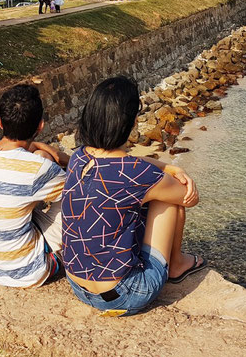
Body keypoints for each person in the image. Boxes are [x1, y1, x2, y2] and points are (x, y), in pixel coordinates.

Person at [61, 76, 206, 317]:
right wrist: (178, 175)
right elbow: (187, 198)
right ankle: (177, 265)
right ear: (131, 122)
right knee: (167, 200)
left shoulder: (79, 157)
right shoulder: (137, 174)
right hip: (125, 295)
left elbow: (124, 163)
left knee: (140, 199)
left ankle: (172, 262)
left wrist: (166, 168)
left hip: (77, 284)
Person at [0, 84, 70, 288]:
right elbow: (83, 185)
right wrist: (62, 157)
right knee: (78, 199)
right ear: (40, 126)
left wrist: (41, 148)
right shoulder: (36, 169)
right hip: (30, 271)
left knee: (41, 158)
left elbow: (30, 149)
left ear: (0, 123)